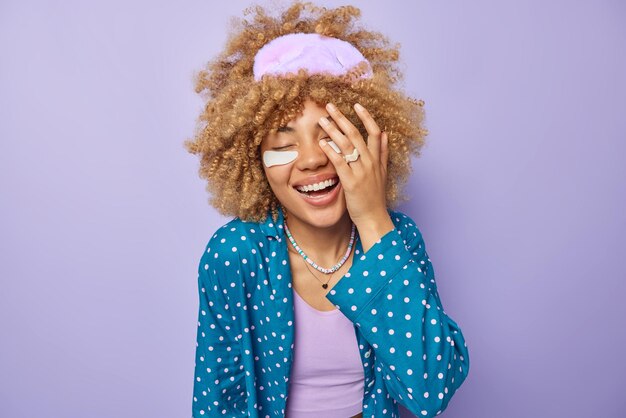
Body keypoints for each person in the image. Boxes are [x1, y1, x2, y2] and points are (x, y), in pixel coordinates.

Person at [184, 2, 470, 417]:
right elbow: (218, 399)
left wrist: (373, 219)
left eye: (331, 136)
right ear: (252, 159)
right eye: (283, 144)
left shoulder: (396, 237)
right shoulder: (235, 253)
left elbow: (430, 390)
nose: (311, 160)